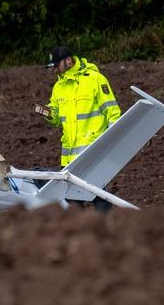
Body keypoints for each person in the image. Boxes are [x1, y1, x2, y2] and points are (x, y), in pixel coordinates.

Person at [41, 46, 121, 210]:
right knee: (73, 202)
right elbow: (56, 118)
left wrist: (113, 146)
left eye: (57, 65)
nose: (55, 70)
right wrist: (48, 113)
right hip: (69, 158)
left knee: (98, 196)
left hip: (91, 152)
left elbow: (113, 113)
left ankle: (105, 225)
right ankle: (82, 227)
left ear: (68, 60)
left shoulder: (94, 79)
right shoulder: (59, 86)